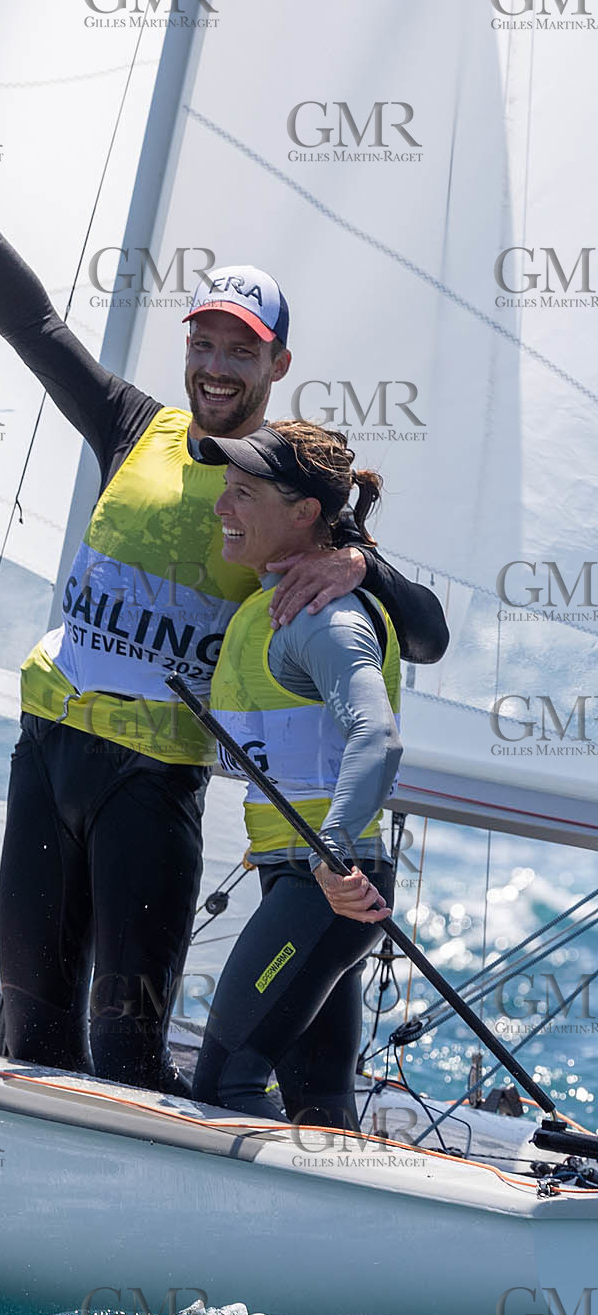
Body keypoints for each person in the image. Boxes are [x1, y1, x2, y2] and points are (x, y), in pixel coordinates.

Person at [0, 91, 447, 1094]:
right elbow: (29, 321)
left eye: (239, 349)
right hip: (47, 756)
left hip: (149, 789)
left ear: (275, 364)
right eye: (202, 342)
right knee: (34, 1039)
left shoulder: (286, 488)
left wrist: (364, 561)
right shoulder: (131, 425)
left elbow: (424, 637)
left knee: (122, 1051)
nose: (214, 365)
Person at [192, 420, 400, 1131]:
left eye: (243, 493)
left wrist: (332, 849)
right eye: (226, 488)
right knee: (320, 1112)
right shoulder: (273, 605)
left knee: (225, 1083)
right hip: (304, 881)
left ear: (304, 513)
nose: (223, 506)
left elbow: (377, 734)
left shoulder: (325, 619)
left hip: (328, 887)